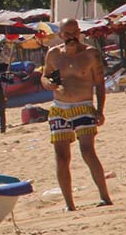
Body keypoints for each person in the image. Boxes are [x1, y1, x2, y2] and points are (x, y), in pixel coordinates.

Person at [41, 18, 113, 211]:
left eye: (75, 33)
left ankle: (105, 197)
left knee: (88, 151)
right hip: (59, 108)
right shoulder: (54, 54)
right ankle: (69, 204)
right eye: (67, 34)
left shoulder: (90, 54)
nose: (72, 37)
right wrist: (48, 84)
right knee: (61, 157)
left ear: (79, 33)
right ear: (60, 35)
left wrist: (100, 110)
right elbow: (45, 76)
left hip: (84, 106)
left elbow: (99, 84)